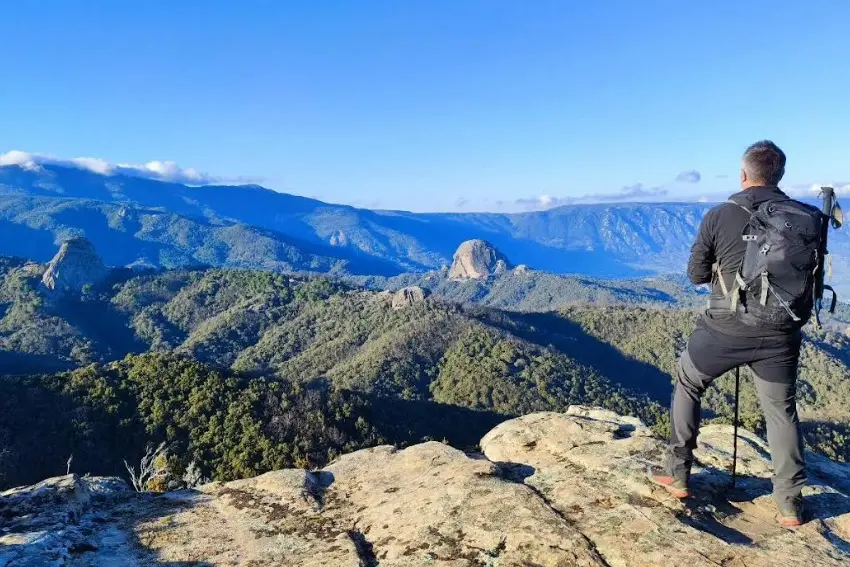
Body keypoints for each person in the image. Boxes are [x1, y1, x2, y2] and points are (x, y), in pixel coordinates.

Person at [649, 140, 807, 527]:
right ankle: (789, 502)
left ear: (743, 174)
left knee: (688, 381)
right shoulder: (804, 216)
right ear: (779, 175)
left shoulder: (720, 215)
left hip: (724, 330)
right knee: (781, 412)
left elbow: (697, 275)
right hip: (780, 333)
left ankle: (678, 473)